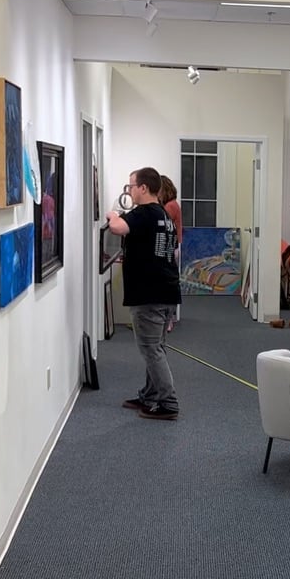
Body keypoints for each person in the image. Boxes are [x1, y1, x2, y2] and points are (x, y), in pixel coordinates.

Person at [107, 167, 182, 420]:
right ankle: (150, 396)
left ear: (143, 188)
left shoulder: (144, 213)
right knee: (157, 347)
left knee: (151, 349)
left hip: (149, 293)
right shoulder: (164, 213)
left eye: (131, 186)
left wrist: (112, 214)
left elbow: (117, 227)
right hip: (167, 289)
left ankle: (168, 402)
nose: (128, 190)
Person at [158, 175, 184, 331]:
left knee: (167, 285)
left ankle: (168, 319)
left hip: (171, 248)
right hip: (173, 247)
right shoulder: (172, 204)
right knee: (168, 284)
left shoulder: (170, 206)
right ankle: (168, 318)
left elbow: (161, 223)